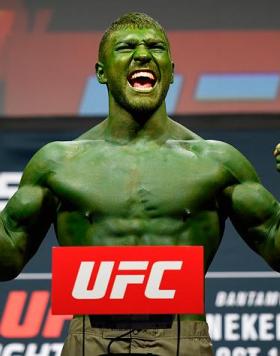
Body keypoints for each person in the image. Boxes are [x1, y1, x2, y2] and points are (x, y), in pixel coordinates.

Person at [0, 12, 280, 356]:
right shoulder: (57, 163)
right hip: (90, 337)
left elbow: (276, 247)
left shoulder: (217, 162)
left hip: (182, 336)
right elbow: (7, 260)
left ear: (171, 72)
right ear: (102, 72)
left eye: (155, 46)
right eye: (127, 47)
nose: (144, 55)